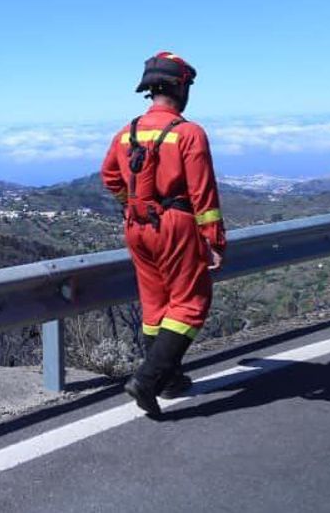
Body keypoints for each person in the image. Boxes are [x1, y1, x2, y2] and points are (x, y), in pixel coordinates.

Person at [100, 51, 227, 417]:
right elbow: (204, 195)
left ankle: (170, 380)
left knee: (155, 303)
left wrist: (132, 202)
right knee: (191, 303)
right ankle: (149, 379)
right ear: (181, 86)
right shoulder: (188, 133)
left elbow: (109, 175)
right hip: (175, 225)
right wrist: (214, 241)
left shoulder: (127, 133)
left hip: (137, 226)